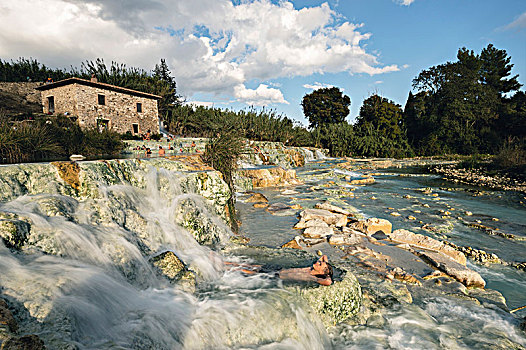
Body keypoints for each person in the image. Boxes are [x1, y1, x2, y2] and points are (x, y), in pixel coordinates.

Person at [226, 255, 333, 286]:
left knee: (246, 271)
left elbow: (328, 281)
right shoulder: (310, 268)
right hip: (277, 269)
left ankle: (226, 270)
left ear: (322, 272)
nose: (318, 262)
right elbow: (324, 256)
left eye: (320, 264)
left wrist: (328, 274)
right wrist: (325, 266)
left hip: (276, 275)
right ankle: (225, 264)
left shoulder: (313, 277)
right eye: (319, 262)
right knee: (249, 265)